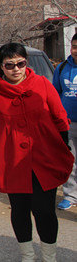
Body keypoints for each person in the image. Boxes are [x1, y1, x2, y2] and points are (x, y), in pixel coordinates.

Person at [0, 43, 73, 262]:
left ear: (26, 63)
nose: (16, 69)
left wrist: (63, 147)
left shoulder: (42, 84)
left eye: (20, 63)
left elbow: (60, 117)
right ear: (1, 67)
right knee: (20, 209)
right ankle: (27, 255)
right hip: (12, 161)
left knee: (45, 210)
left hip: (44, 157)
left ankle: (49, 257)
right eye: (9, 65)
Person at [52, 33, 77, 211]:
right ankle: (70, 196)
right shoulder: (61, 68)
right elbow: (55, 95)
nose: (76, 50)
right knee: (70, 161)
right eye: (74, 46)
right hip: (68, 123)